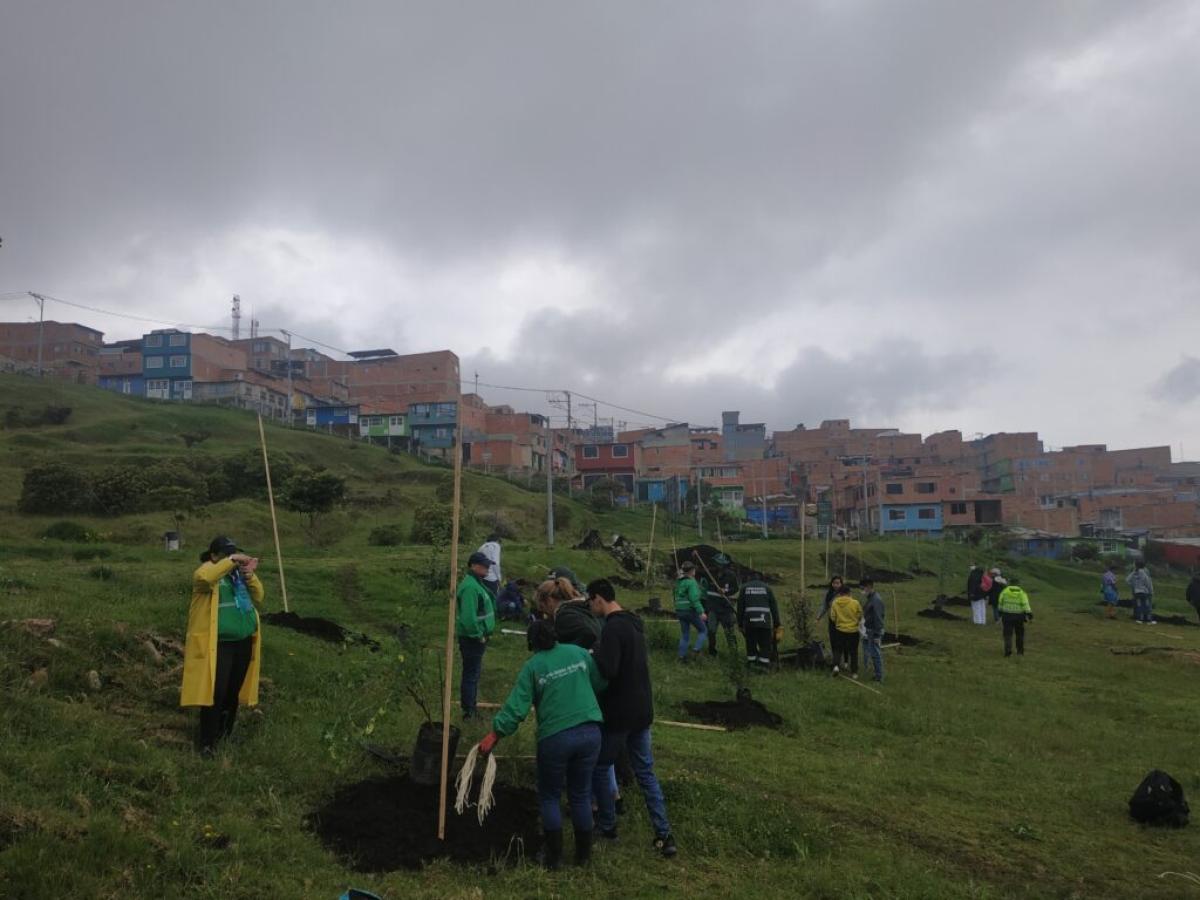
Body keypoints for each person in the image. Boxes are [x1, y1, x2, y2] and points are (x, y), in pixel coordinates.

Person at [478, 620, 604, 869]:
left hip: (556, 739)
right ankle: (583, 858)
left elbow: (516, 707)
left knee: (549, 796)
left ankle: (554, 858)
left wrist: (494, 735)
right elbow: (599, 682)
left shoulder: (533, 667)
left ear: (532, 644)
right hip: (590, 733)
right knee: (580, 794)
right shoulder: (578, 653)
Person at [586, 578, 678, 858]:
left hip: (620, 713)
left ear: (599, 598)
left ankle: (608, 825)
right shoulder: (634, 623)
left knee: (602, 767)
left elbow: (609, 670)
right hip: (642, 710)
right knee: (645, 771)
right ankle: (664, 834)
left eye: (591, 602)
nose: (591, 607)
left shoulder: (613, 628)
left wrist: (595, 654)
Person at [180, 536, 265, 756]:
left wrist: (250, 576)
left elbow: (259, 596)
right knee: (215, 692)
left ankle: (225, 734)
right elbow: (207, 578)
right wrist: (232, 561)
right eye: (226, 555)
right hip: (219, 645)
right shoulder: (205, 574)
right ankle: (207, 741)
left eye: (233, 554)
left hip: (243, 642)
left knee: (232, 692)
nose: (231, 559)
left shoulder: (237, 577)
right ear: (214, 556)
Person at [456, 551, 497, 719]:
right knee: (471, 675)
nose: (487, 569)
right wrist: (478, 635)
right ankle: (469, 712)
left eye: (488, 566)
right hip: (472, 639)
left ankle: (470, 707)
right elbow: (468, 618)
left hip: (477, 638)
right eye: (484, 566)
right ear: (473, 566)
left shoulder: (475, 583)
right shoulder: (470, 587)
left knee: (473, 673)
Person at [736, 573, 780, 670]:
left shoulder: (744, 588)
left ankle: (752, 663)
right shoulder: (767, 588)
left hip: (750, 622)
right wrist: (777, 623)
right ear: (761, 580)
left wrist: (739, 623)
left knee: (751, 643)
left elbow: (740, 607)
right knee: (765, 644)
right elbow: (774, 607)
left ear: (749, 579)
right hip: (765, 622)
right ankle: (763, 665)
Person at [701, 564, 738, 658]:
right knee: (711, 631)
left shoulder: (731, 575)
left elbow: (736, 588)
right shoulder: (709, 573)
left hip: (726, 609)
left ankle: (734, 653)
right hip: (712, 608)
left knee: (729, 632)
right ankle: (712, 652)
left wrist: (726, 591)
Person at [673, 561, 707, 662]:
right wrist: (701, 612)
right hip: (689, 610)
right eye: (694, 570)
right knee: (703, 630)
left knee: (685, 635)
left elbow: (674, 596)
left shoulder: (679, 581)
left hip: (680, 610)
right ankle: (696, 650)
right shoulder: (691, 582)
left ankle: (681, 656)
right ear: (692, 571)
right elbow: (694, 598)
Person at [828, 584, 863, 678]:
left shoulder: (835, 603)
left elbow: (832, 617)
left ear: (840, 593)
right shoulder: (855, 603)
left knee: (838, 650)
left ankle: (836, 666)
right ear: (849, 593)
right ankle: (854, 672)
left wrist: (839, 622)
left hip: (840, 630)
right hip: (853, 631)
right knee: (853, 652)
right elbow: (860, 615)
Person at [997, 579, 1033, 657]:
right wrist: (1029, 614)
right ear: (1018, 584)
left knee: (1007, 634)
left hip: (1007, 615)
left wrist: (1000, 612)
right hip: (1019, 616)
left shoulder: (1005, 591)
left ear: (1010, 583)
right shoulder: (1022, 593)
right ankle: (1020, 651)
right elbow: (1025, 604)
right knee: (1019, 634)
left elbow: (1000, 602)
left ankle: (1008, 651)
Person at [861, 578, 886, 683]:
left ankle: (879, 677)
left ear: (869, 587)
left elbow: (878, 618)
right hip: (869, 629)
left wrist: (877, 635)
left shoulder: (876, 600)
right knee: (872, 652)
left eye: (863, 588)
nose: (862, 591)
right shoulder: (871, 598)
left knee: (876, 654)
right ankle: (875, 674)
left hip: (874, 631)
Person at [816, 575, 845, 654]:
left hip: (842, 621)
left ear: (841, 584)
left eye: (838, 583)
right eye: (834, 583)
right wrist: (818, 617)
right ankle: (835, 659)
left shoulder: (844, 594)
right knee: (833, 640)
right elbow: (824, 606)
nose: (836, 585)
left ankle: (840, 660)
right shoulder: (829, 594)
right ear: (831, 584)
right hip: (832, 621)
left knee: (840, 641)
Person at [1127, 560, 1155, 625]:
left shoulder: (1134, 572)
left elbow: (1127, 580)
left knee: (1139, 606)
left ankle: (1140, 619)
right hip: (1144, 592)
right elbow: (1148, 582)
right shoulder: (1144, 573)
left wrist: (1134, 586)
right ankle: (1148, 620)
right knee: (1147, 606)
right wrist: (1151, 591)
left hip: (1137, 592)